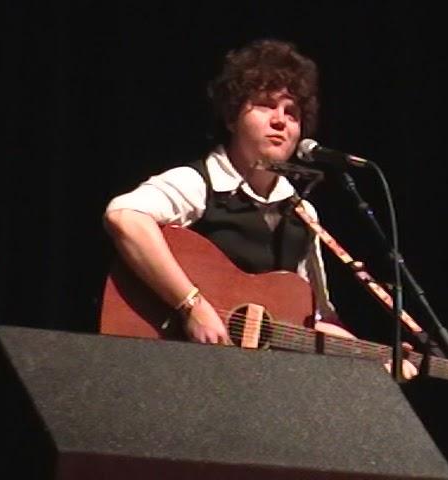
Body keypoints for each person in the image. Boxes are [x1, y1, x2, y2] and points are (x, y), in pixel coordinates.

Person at [103, 39, 416, 378]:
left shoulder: (302, 213)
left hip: (252, 387)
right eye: (266, 106)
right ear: (232, 116)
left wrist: (374, 359)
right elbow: (124, 217)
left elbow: (310, 322)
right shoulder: (200, 183)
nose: (281, 121)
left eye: (292, 113)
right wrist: (191, 305)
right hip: (174, 370)